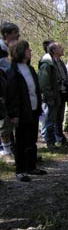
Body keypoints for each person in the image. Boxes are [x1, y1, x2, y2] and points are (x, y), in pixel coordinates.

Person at [7, 40, 47, 182]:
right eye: (27, 49)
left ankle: (31, 167)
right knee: (21, 142)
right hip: (21, 112)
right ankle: (20, 170)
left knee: (32, 140)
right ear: (20, 51)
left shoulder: (29, 69)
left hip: (33, 110)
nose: (30, 51)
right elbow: (11, 94)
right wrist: (14, 114)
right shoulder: (14, 70)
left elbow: (35, 90)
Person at [39, 42, 68, 152]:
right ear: (54, 51)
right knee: (50, 120)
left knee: (59, 119)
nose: (62, 48)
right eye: (60, 47)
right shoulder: (47, 64)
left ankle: (60, 139)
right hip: (52, 97)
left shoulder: (60, 62)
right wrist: (49, 97)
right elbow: (44, 83)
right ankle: (50, 142)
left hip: (61, 95)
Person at [0, 22, 20, 164]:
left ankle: (14, 150)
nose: (18, 36)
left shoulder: (14, 50)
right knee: (4, 122)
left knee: (13, 121)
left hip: (13, 92)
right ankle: (5, 152)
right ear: (6, 34)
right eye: (15, 33)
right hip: (2, 92)